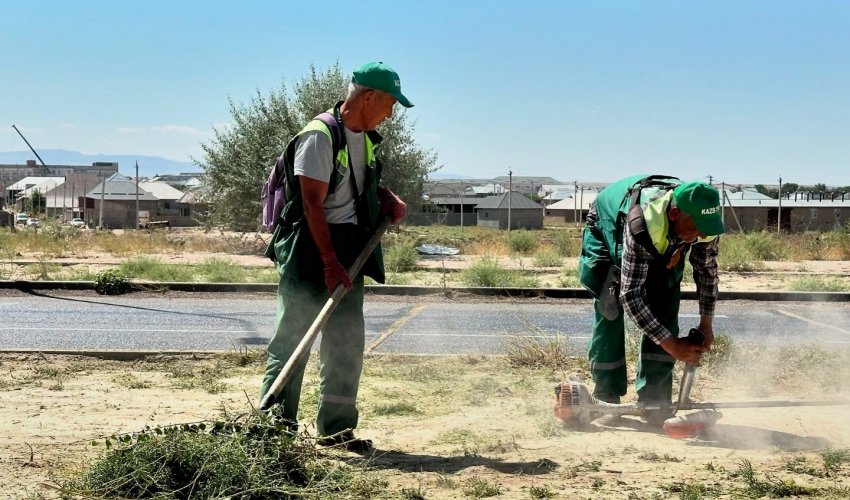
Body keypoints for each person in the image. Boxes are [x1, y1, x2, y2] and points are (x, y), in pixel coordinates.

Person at [259, 61, 411, 452]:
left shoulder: (364, 137)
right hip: (311, 248)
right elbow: (312, 204)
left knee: (346, 342)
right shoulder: (319, 136)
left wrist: (385, 196)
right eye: (389, 103)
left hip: (350, 248)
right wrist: (328, 261)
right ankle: (276, 432)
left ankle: (337, 431)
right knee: (293, 340)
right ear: (368, 96)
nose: (390, 113)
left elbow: (355, 185)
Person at [578, 175, 724, 425]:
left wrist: (706, 323)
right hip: (608, 224)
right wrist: (672, 345)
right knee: (610, 302)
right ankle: (606, 395)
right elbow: (631, 294)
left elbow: (707, 272)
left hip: (662, 235)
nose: (700, 234)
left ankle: (654, 398)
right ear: (675, 214)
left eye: (705, 228)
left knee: (665, 298)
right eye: (695, 227)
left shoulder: (702, 226)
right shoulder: (641, 223)